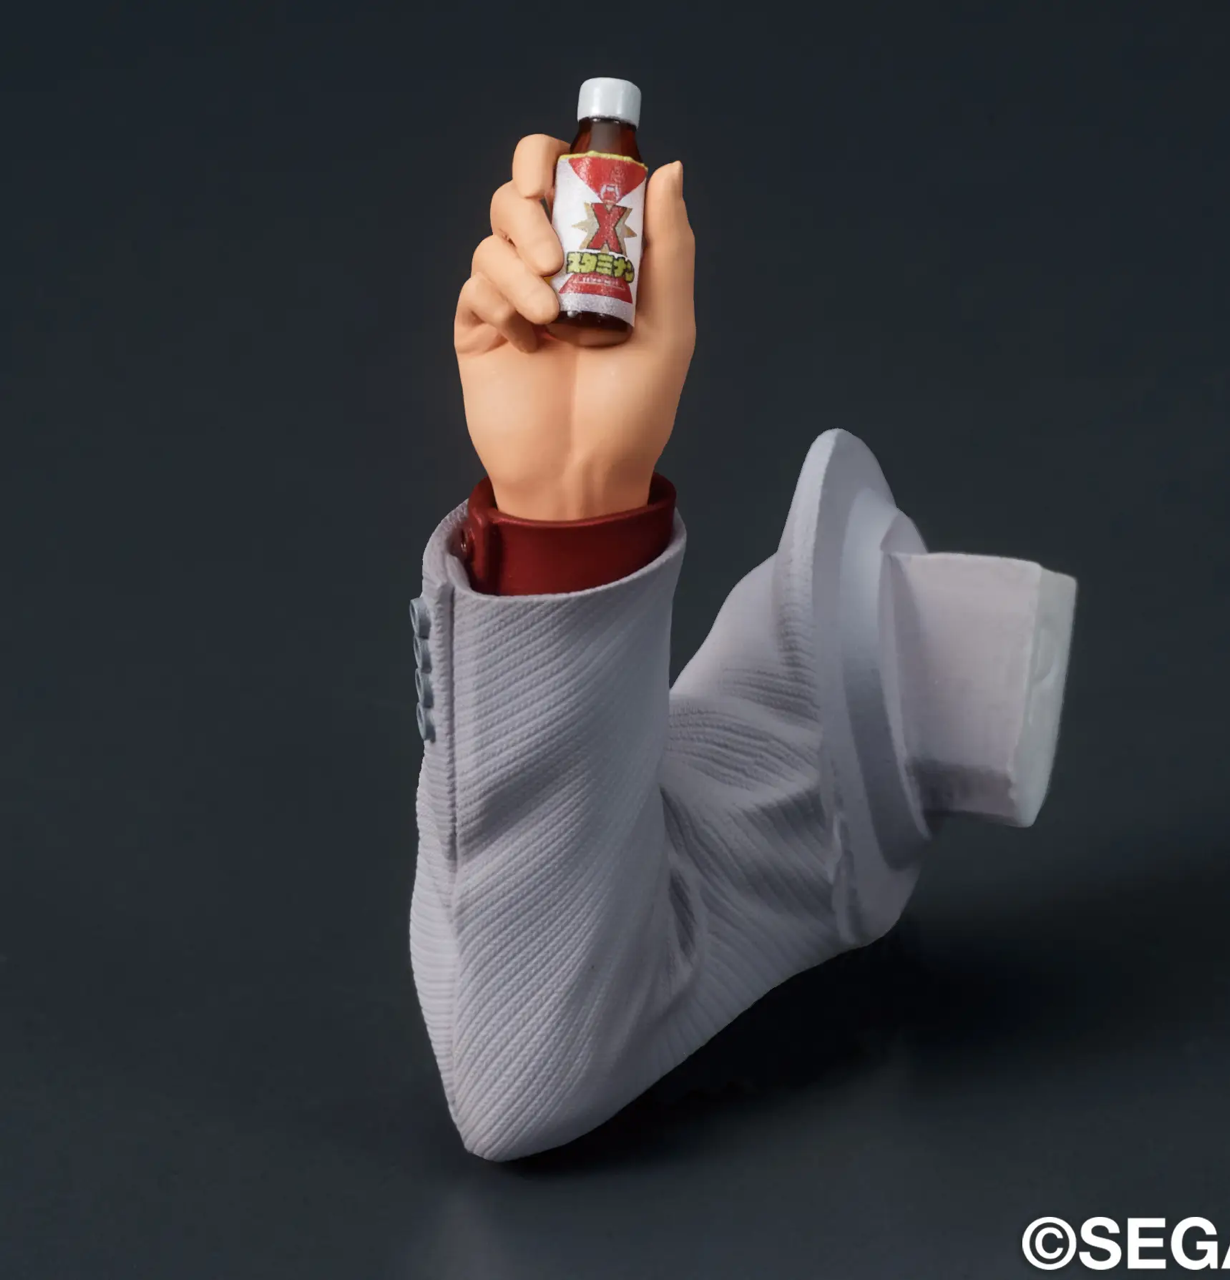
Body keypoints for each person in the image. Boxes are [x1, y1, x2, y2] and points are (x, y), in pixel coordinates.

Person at [407, 135, 1078, 1162]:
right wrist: (567, 494)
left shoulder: (773, 806)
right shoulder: (763, 789)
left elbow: (514, 1079)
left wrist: (565, 514)